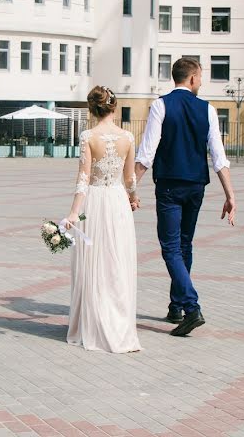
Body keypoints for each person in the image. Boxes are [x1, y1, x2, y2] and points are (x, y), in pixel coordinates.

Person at [135, 57, 236, 337]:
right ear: (191, 79)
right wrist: (230, 195)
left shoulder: (161, 105)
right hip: (196, 186)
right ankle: (176, 306)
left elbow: (146, 154)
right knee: (185, 244)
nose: (201, 82)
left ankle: (191, 307)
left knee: (170, 248)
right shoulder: (208, 110)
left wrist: (128, 188)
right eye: (201, 77)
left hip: (169, 185)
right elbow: (218, 156)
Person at [65, 86, 141, 353]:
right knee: (116, 262)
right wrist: (133, 197)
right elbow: (130, 178)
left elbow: (83, 179)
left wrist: (74, 212)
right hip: (117, 201)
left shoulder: (88, 136)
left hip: (96, 202)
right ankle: (119, 324)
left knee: (94, 264)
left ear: (92, 110)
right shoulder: (128, 137)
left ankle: (95, 322)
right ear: (114, 107)